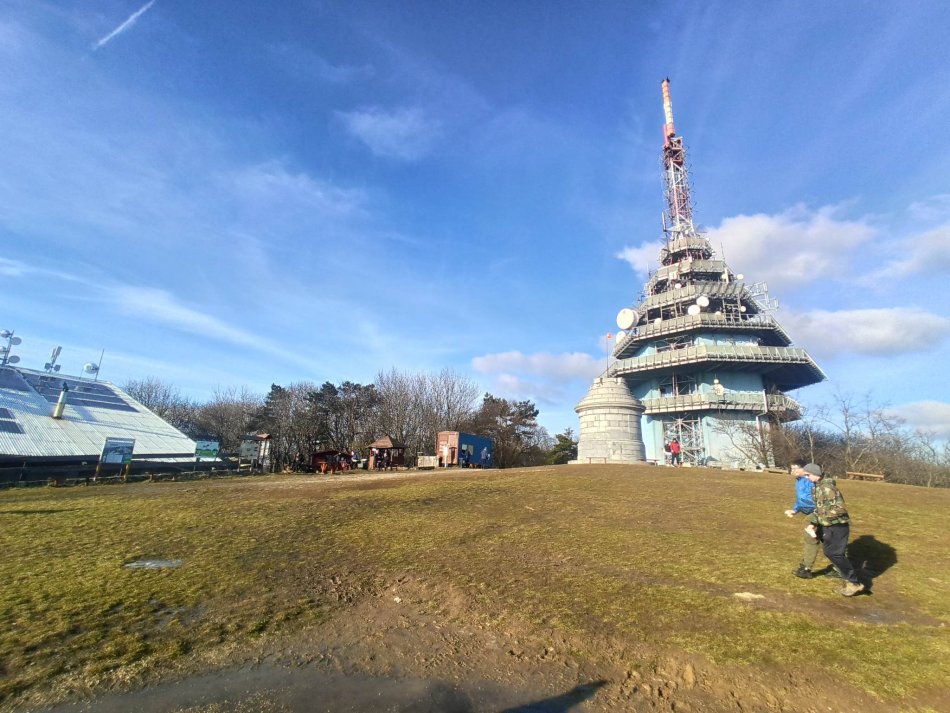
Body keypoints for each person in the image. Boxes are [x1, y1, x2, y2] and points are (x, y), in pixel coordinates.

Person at [802, 463, 865, 596]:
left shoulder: (827, 488)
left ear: (815, 473)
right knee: (832, 553)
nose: (806, 478)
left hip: (837, 526)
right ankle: (850, 582)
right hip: (829, 525)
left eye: (807, 475)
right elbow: (820, 508)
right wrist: (813, 522)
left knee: (834, 554)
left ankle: (854, 583)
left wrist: (820, 518)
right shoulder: (818, 486)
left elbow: (840, 509)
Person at [786, 460, 822, 579]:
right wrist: (795, 510)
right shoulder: (799, 480)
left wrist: (814, 516)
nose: (792, 471)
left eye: (795, 468)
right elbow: (800, 498)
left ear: (804, 468)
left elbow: (815, 499)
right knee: (820, 540)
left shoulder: (811, 480)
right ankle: (806, 567)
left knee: (812, 538)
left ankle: (806, 568)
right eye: (791, 468)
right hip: (812, 513)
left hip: (817, 513)